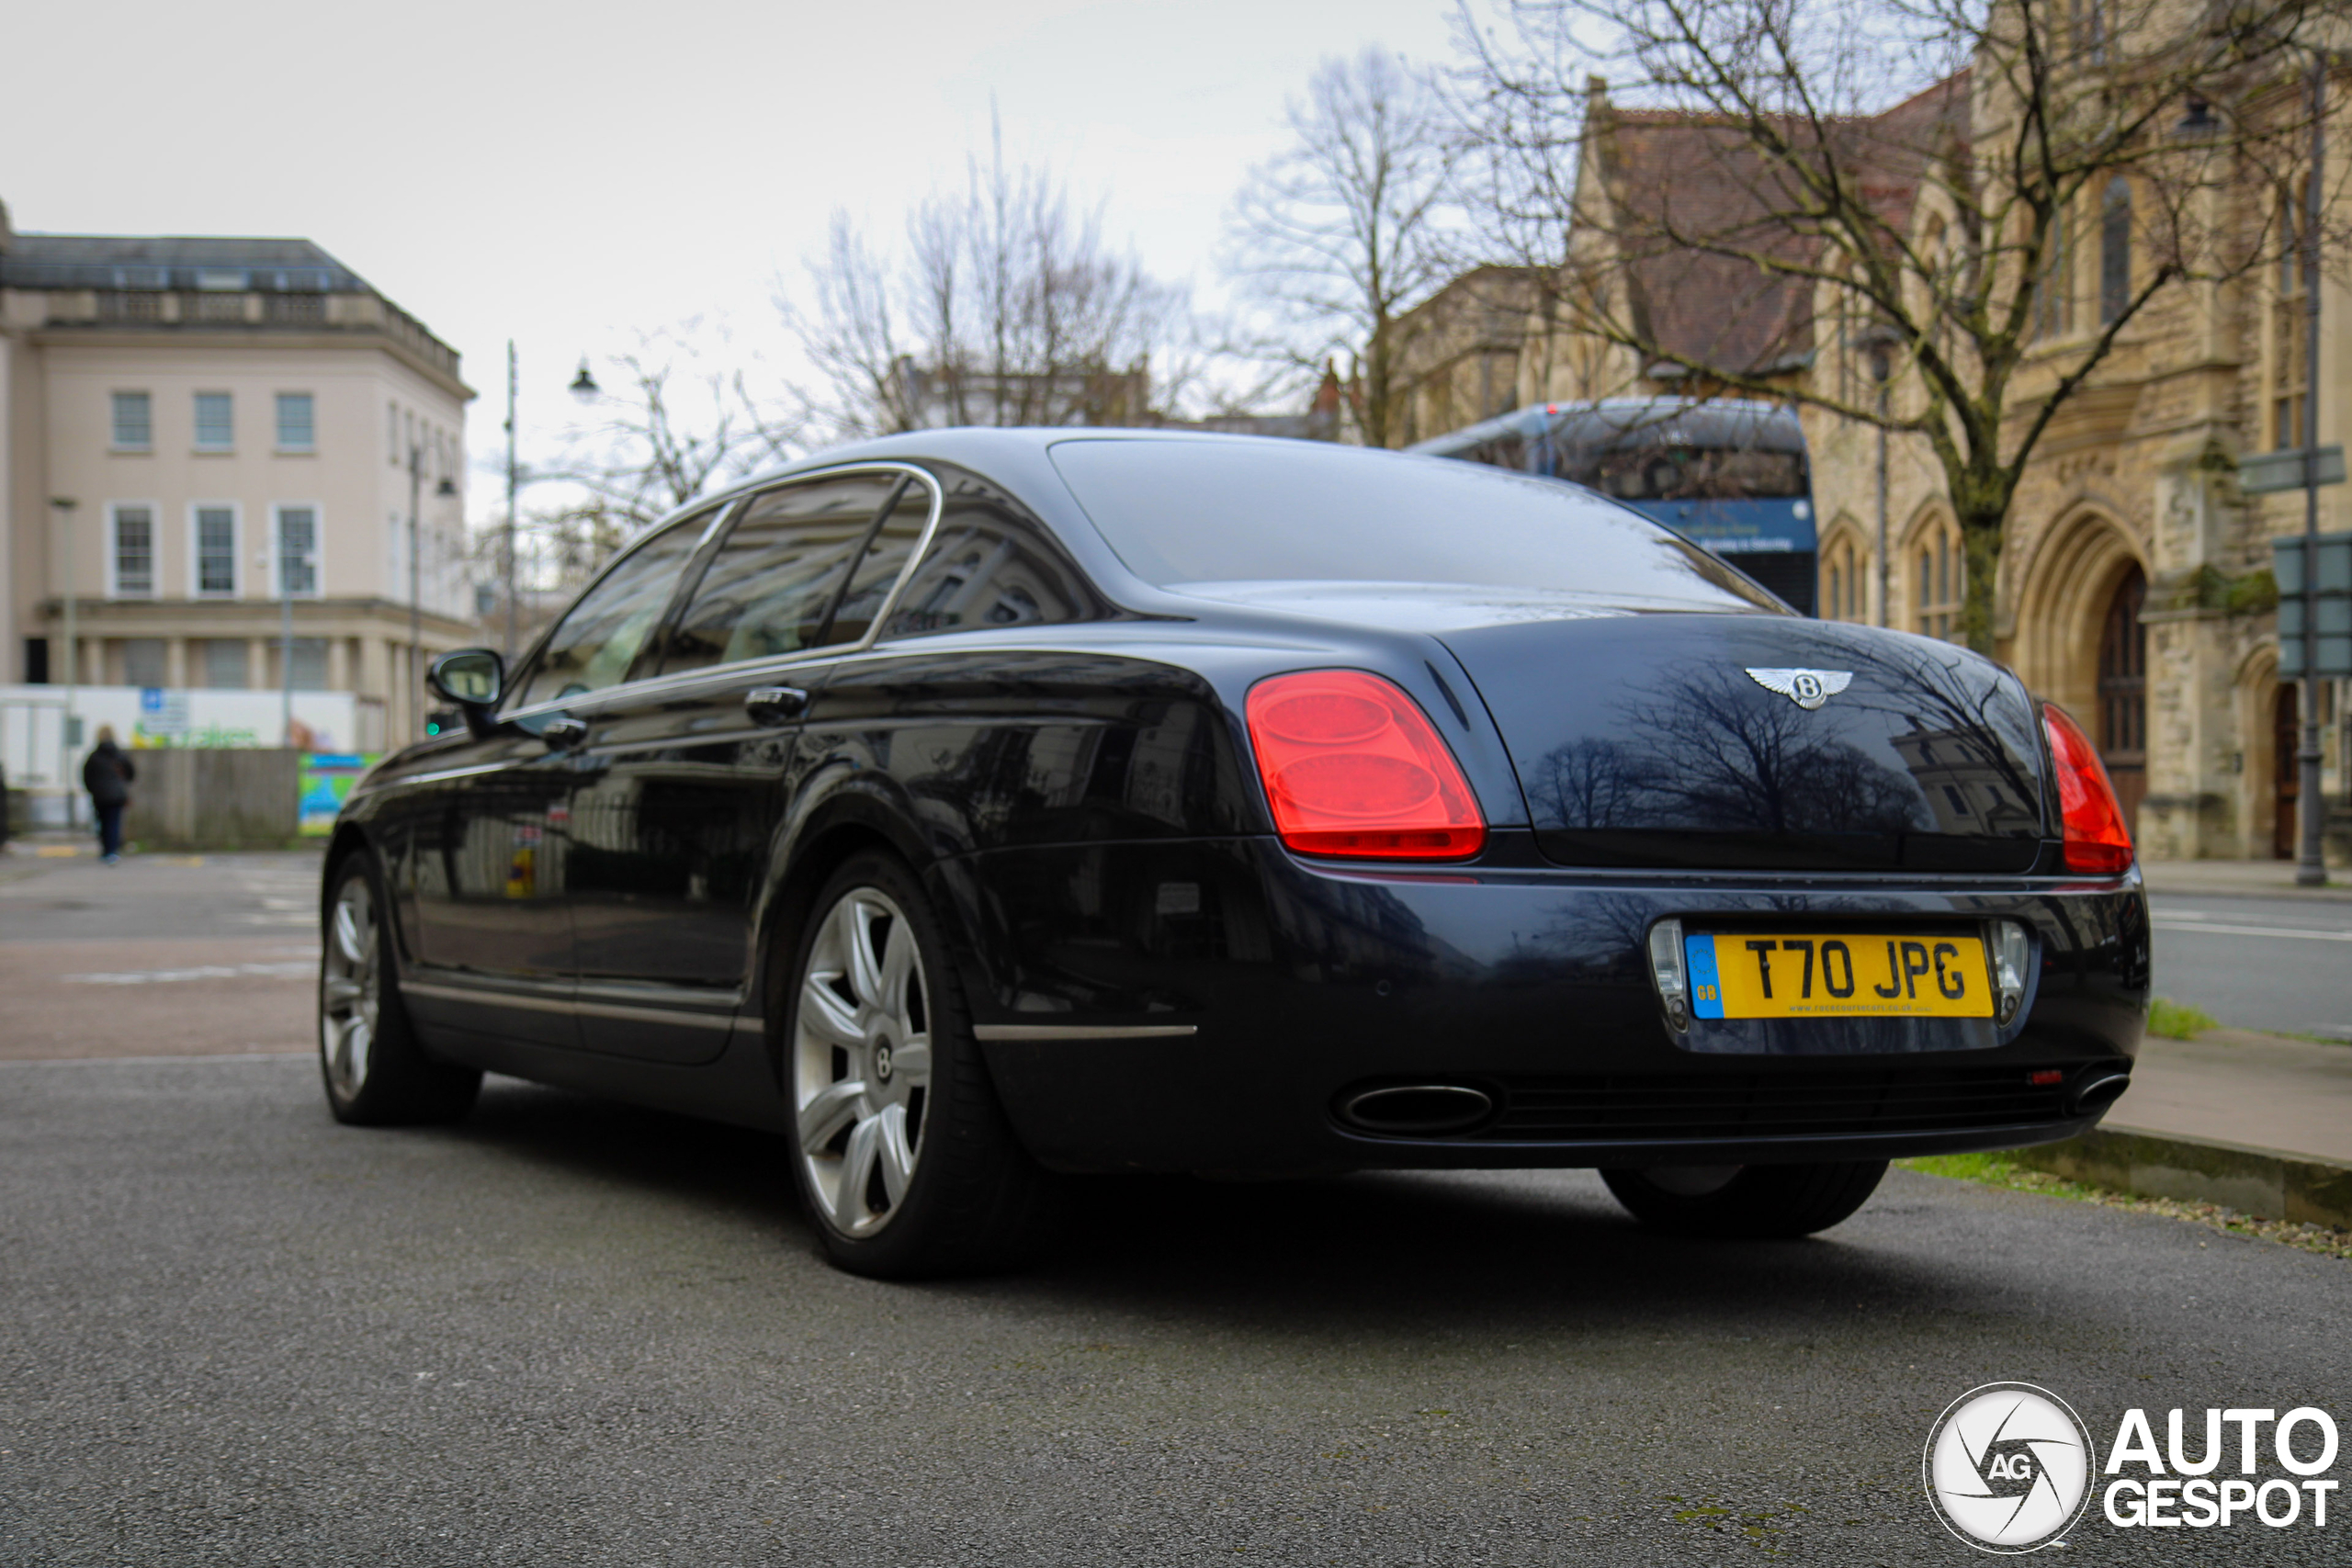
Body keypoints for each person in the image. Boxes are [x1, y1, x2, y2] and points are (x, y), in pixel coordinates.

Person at [81, 726, 136, 865]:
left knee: (102, 823)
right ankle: (112, 851)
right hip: (116, 795)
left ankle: (105, 850)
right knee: (114, 823)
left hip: (99, 796)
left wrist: (92, 790)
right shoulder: (119, 755)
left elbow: (86, 776)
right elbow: (131, 773)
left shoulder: (94, 757)